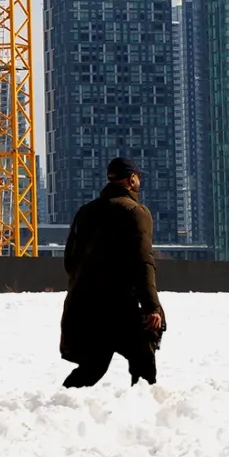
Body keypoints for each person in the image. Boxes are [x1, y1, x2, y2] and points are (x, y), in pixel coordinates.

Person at [60, 156, 166, 387]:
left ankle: (58, 407)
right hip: (120, 304)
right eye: (137, 177)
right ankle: (145, 410)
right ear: (131, 180)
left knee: (92, 365)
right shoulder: (136, 212)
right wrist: (151, 307)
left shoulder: (86, 212)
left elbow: (70, 260)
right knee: (143, 360)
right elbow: (143, 262)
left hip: (84, 303)